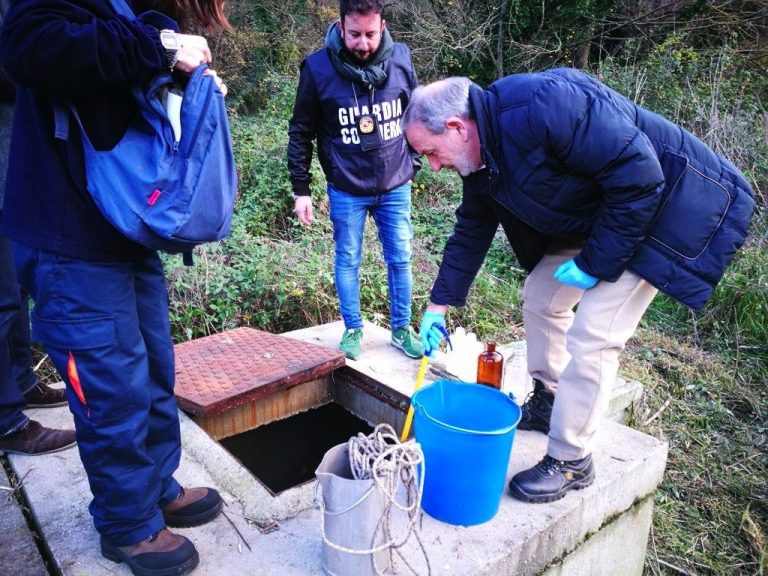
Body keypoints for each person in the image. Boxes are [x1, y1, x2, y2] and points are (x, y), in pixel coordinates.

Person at [402, 71, 755, 504]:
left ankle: (572, 459)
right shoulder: (481, 158)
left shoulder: (544, 105)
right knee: (541, 297)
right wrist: (438, 306)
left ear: (456, 127)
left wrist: (594, 265)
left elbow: (640, 176)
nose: (434, 165)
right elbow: (472, 229)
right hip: (602, 216)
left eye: (431, 153)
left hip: (655, 215)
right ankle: (551, 399)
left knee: (595, 334)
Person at [1, 1, 231, 575]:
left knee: (154, 369)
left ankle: (154, 488)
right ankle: (127, 524)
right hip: (67, 232)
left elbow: (129, 42)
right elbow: (28, 46)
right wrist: (160, 49)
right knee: (110, 387)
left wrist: (170, 56)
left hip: (125, 225)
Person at [287, 0, 425, 361]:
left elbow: (418, 113)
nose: (363, 43)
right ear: (340, 25)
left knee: (401, 257)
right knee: (347, 258)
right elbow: (301, 131)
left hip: (395, 184)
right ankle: (352, 329)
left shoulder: (401, 59)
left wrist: (414, 162)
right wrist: (301, 189)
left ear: (383, 25)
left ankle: (400, 329)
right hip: (346, 187)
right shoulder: (317, 69)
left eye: (370, 34)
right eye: (354, 35)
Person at [0, 0, 76, 454]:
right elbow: (18, 61)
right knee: (2, 299)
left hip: (16, 173)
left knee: (17, 290)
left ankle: (24, 382)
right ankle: (6, 420)